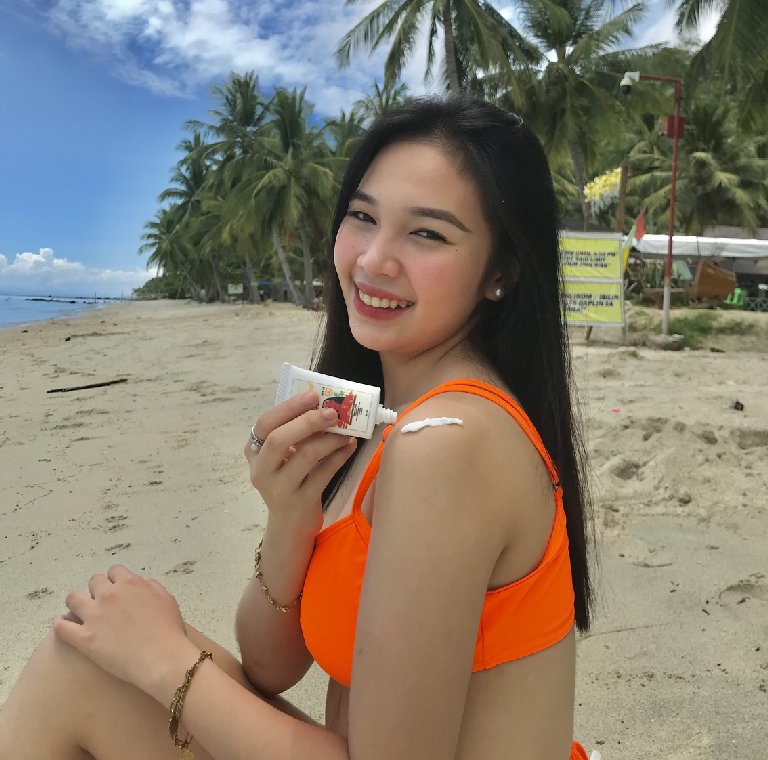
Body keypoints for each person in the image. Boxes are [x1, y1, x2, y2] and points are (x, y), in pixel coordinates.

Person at [0, 96, 595, 760]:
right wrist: (290, 518)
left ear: (502, 272)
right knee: (80, 656)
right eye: (362, 218)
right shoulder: (383, 419)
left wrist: (160, 659)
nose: (374, 259)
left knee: (81, 668)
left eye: (427, 233)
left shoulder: (448, 442)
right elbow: (270, 665)